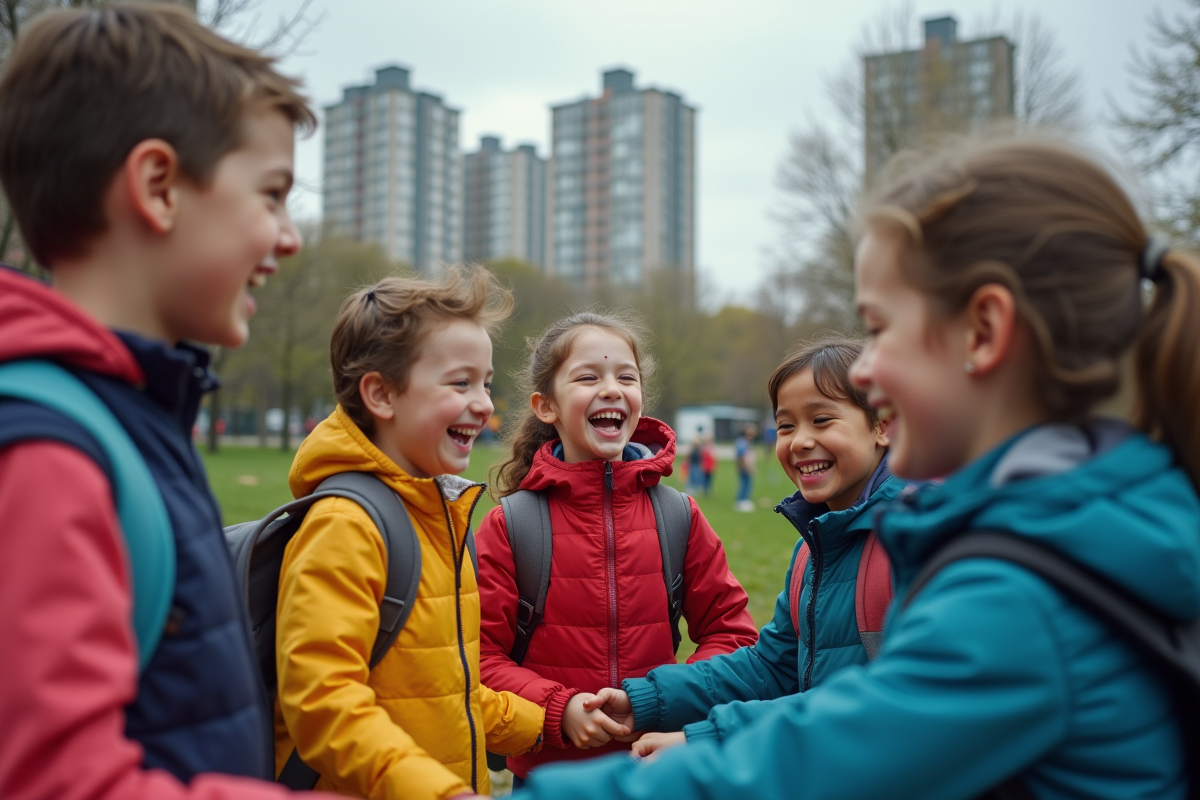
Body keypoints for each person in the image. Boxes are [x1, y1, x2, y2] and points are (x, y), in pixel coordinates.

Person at [509, 137, 1200, 800]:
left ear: (983, 332)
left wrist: (705, 736)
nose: (865, 369)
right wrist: (652, 700)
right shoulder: (1066, 522)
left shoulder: (1030, 587)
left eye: (880, 329)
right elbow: (790, 674)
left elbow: (812, 760)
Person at [0, 6, 343, 800]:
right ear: (158, 187)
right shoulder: (49, 452)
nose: (288, 238)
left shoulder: (129, 416)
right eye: (271, 195)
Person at [273, 268, 544, 799]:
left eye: (486, 384)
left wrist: (546, 721)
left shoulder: (437, 515)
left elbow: (443, 689)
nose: (486, 403)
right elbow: (323, 706)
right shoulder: (345, 527)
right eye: (460, 382)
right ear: (381, 394)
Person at [475, 311, 759, 787]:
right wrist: (557, 710)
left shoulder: (679, 516)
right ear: (546, 406)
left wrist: (661, 700)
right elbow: (477, 657)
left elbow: (734, 638)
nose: (611, 388)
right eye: (588, 376)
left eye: (626, 376)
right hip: (550, 782)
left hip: (655, 774)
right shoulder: (513, 525)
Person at [590, 336, 899, 758]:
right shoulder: (815, 547)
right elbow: (772, 667)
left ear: (883, 424)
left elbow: (877, 703)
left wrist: (704, 741)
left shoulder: (912, 541)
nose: (800, 441)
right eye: (786, 425)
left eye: (822, 419)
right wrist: (649, 701)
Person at [733, 425, 757, 511]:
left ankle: (744, 500)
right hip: (744, 466)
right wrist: (747, 467)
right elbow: (742, 456)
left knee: (747, 483)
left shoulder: (747, 441)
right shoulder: (743, 442)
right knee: (745, 483)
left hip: (746, 466)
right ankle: (741, 501)